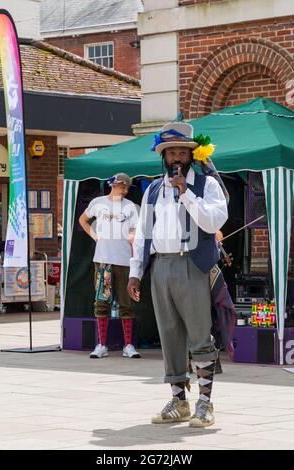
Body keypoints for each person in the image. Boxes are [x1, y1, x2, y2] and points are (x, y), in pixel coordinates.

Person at [128, 122, 228, 427]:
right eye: (171, 152)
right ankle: (178, 400)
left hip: (193, 264)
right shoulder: (154, 190)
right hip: (161, 266)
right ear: (164, 157)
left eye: (182, 151)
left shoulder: (207, 185)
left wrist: (186, 194)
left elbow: (213, 222)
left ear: (191, 154)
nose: (176, 158)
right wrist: (136, 272)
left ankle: (205, 403)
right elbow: (144, 233)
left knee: (199, 334)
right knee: (169, 335)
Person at [79, 173, 141, 359]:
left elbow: (135, 229)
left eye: (128, 188)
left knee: (126, 303)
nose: (126, 190)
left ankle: (128, 345)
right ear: (114, 184)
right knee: (101, 301)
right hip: (103, 260)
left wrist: (132, 236)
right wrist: (94, 235)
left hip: (124, 260)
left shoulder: (131, 207)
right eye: (123, 186)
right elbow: (83, 220)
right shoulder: (98, 203)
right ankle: (101, 345)